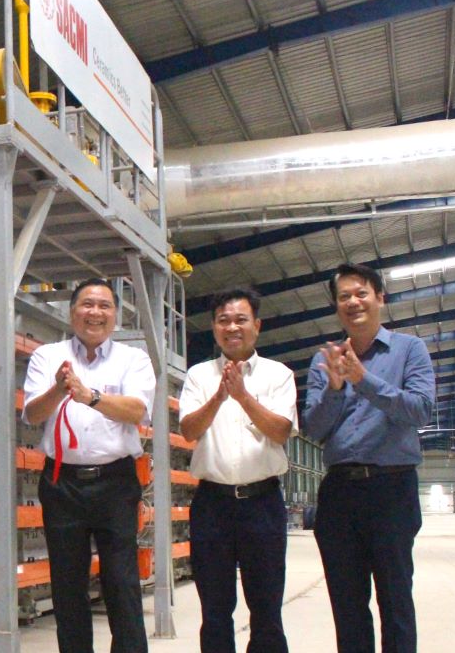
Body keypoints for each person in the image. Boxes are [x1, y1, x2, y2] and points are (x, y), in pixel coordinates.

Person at [304, 263, 435, 653]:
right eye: (344, 296)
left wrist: (364, 379)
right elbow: (313, 429)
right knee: (347, 604)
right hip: (340, 493)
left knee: (395, 599)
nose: (353, 301)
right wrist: (334, 388)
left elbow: (420, 410)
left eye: (361, 292)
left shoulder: (410, 349)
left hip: (392, 489)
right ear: (336, 306)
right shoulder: (322, 360)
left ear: (380, 297)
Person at [22, 277, 155, 653]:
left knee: (122, 582)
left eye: (104, 306)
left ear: (115, 315)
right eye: (86, 304)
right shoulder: (48, 356)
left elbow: (136, 410)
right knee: (67, 584)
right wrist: (59, 389)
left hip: (115, 482)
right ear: (72, 312)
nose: (94, 313)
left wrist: (89, 396)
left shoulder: (134, 359)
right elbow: (32, 414)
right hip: (62, 482)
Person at [178, 287, 296, 653]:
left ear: (256, 326)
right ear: (214, 327)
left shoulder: (279, 375)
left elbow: (280, 431)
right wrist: (219, 395)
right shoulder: (199, 376)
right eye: (223, 320)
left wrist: (243, 395)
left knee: (266, 608)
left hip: (263, 504)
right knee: (214, 608)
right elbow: (188, 431)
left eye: (240, 319)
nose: (232, 327)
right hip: (213, 504)